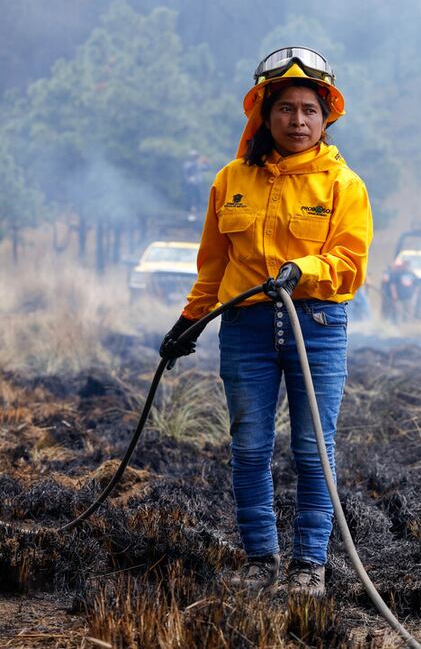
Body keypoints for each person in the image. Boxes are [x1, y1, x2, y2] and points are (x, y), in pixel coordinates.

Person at [158, 47, 372, 597]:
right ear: (263, 112)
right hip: (246, 327)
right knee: (249, 445)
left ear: (325, 119)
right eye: (285, 109)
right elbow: (214, 264)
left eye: (308, 110)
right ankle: (260, 559)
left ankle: (308, 566)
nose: (297, 121)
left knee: (312, 447)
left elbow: (349, 266)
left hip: (317, 326)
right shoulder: (231, 179)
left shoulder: (342, 186)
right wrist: (190, 319)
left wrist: (303, 268)